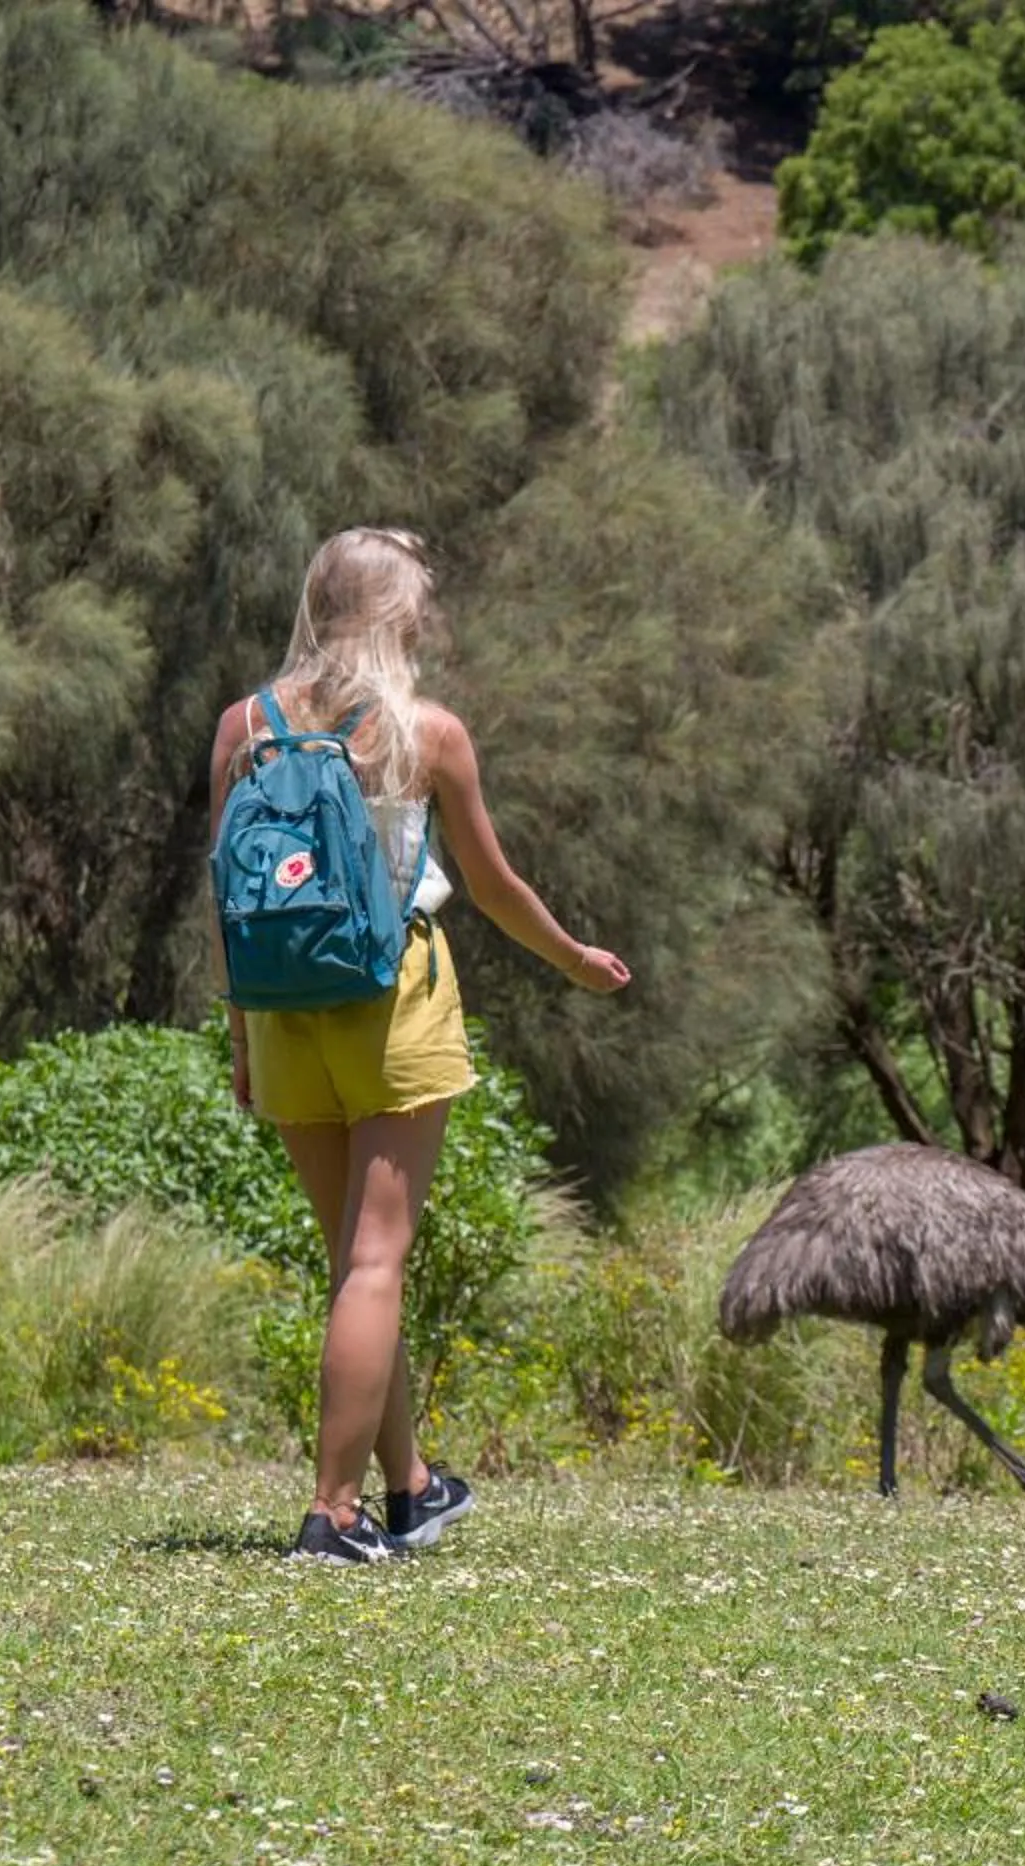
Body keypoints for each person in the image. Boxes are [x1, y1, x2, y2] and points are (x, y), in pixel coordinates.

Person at [210, 528, 630, 1563]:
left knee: (354, 1263)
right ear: (397, 615)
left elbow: (223, 900)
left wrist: (241, 1038)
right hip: (391, 1002)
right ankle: (333, 1513)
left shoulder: (244, 727)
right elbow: (493, 887)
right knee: (376, 1261)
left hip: (281, 1010)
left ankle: (408, 1489)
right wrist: (575, 957)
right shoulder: (424, 733)